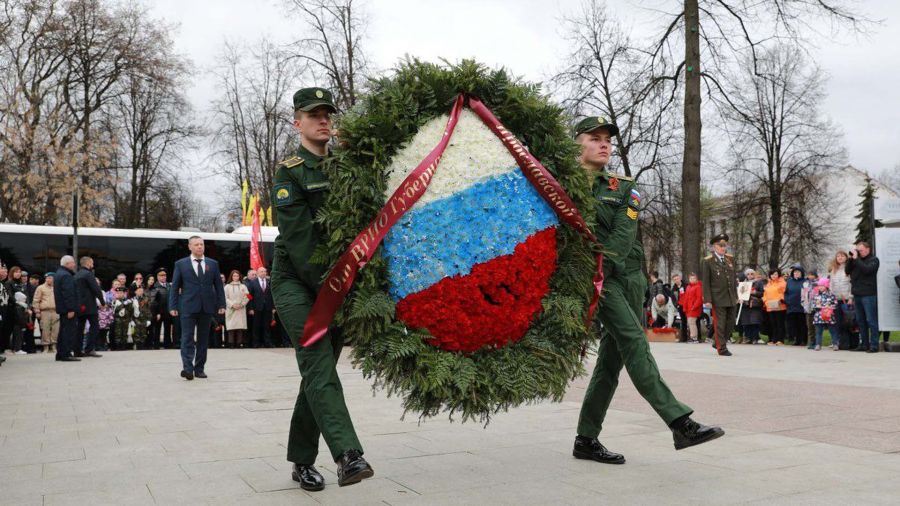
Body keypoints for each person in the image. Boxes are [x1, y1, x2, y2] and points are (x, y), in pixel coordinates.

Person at [571, 115, 723, 468]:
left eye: (607, 139)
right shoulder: (563, 186)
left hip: (629, 280)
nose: (604, 144)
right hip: (599, 280)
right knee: (635, 342)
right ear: (577, 143)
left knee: (612, 361)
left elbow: (624, 236)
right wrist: (592, 275)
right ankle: (679, 422)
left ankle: (586, 438)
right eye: (594, 138)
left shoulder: (624, 187)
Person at [271, 87, 374, 491]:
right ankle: (348, 455)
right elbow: (300, 243)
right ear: (297, 122)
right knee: (316, 361)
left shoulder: (346, 168)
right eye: (314, 114)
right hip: (297, 280)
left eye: (328, 113)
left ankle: (300, 460)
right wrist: (337, 290)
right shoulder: (290, 173)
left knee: (318, 373)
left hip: (339, 282)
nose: (323, 120)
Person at [169, 235, 226, 380]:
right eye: (196, 244)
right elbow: (175, 287)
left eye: (201, 244)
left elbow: (219, 286)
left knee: (203, 339)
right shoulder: (181, 264)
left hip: (207, 307)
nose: (200, 247)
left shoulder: (213, 264)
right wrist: (173, 305)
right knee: (187, 338)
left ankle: (199, 368)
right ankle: (187, 369)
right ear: (190, 247)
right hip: (187, 306)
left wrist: (221, 304)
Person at [700, 234, 738, 356]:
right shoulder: (708, 261)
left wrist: (737, 296)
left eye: (724, 245)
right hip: (717, 297)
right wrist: (707, 299)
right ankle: (721, 348)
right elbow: (705, 282)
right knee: (720, 323)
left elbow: (733, 279)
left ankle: (717, 341)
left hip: (731, 296)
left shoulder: (730, 259)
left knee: (731, 322)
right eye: (720, 245)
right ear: (714, 247)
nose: (723, 248)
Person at [845, 240, 880, 352]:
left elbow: (866, 270)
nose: (860, 252)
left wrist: (856, 259)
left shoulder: (874, 260)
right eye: (858, 250)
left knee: (871, 320)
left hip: (869, 295)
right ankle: (864, 344)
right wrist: (851, 259)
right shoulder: (856, 260)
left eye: (862, 250)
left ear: (868, 249)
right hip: (857, 294)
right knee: (860, 321)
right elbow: (847, 271)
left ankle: (874, 345)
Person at [74, 256, 104, 358]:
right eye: (92, 263)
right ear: (88, 263)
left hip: (79, 305)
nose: (93, 265)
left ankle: (77, 350)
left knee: (79, 328)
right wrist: (102, 301)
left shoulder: (76, 275)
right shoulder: (88, 274)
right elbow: (96, 289)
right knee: (94, 326)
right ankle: (89, 349)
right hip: (90, 306)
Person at [53, 256, 80, 362]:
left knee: (63, 331)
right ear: (67, 263)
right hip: (68, 309)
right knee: (68, 332)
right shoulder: (66, 275)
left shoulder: (59, 273)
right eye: (73, 263)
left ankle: (60, 353)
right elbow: (68, 294)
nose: (74, 265)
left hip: (63, 309)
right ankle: (66, 354)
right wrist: (71, 309)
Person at [828, 251, 853, 350]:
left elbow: (852, 284)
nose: (840, 257)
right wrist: (831, 297)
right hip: (836, 299)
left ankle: (847, 343)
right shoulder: (833, 270)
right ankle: (837, 342)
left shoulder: (849, 269)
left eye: (842, 256)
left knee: (847, 322)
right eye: (838, 256)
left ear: (846, 257)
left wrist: (851, 297)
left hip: (846, 299)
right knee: (837, 322)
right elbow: (831, 285)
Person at [247, 266, 275, 347]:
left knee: (267, 326)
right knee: (256, 326)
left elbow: (272, 295)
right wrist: (250, 308)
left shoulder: (269, 282)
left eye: (265, 271)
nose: (264, 273)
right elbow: (249, 296)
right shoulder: (253, 282)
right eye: (262, 272)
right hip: (256, 308)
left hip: (268, 308)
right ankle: (256, 343)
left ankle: (267, 342)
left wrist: (273, 307)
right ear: (258, 273)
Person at [150, 268, 177, 349]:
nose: (164, 277)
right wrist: (156, 312)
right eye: (161, 275)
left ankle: (167, 345)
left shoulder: (169, 285)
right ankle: (156, 345)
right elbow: (153, 302)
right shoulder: (155, 286)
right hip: (159, 312)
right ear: (157, 277)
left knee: (167, 329)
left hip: (168, 311)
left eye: (165, 275)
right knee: (157, 329)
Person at [811, 277, 839, 351]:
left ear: (826, 286)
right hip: (819, 316)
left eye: (822, 285)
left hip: (829, 316)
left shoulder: (831, 295)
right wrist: (816, 307)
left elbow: (835, 304)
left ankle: (835, 344)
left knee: (833, 330)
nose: (820, 287)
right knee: (818, 331)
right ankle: (818, 344)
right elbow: (813, 304)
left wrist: (830, 307)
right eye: (819, 286)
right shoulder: (816, 295)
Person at [33, 273, 58, 353]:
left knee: (56, 329)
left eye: (50, 278)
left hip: (56, 311)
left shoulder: (57, 287)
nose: (48, 279)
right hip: (45, 311)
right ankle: (45, 346)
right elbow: (36, 300)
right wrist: (37, 311)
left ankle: (54, 345)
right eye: (47, 278)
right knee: (45, 329)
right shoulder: (40, 288)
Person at [224, 270, 250, 348]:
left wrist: (242, 304)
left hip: (240, 309)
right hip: (231, 309)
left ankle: (239, 343)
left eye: (237, 276)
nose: (235, 277)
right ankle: (231, 343)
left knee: (240, 327)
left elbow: (249, 296)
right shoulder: (227, 286)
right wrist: (232, 305)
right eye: (234, 276)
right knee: (231, 327)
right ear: (231, 277)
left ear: (239, 277)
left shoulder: (243, 286)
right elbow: (225, 297)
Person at [739, 270, 765, 345]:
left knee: (755, 322)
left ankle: (755, 338)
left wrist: (755, 292)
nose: (750, 275)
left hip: (755, 305)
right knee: (746, 323)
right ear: (746, 275)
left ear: (754, 274)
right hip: (745, 305)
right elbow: (740, 293)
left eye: (752, 274)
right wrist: (740, 298)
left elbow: (763, 293)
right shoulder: (743, 283)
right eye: (748, 274)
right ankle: (748, 338)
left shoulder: (759, 282)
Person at [762, 270, 787, 345]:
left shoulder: (783, 283)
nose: (774, 276)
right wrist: (766, 302)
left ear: (778, 275)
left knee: (780, 323)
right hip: (770, 306)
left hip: (780, 306)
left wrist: (780, 300)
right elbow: (765, 294)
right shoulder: (768, 284)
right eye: (772, 274)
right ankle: (774, 339)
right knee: (772, 324)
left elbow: (784, 293)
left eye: (775, 274)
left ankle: (780, 339)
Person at [679, 273, 704, 343]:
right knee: (690, 323)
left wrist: (694, 306)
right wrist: (685, 307)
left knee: (692, 322)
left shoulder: (698, 287)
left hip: (694, 308)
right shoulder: (688, 287)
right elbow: (686, 298)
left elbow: (699, 299)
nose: (692, 280)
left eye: (693, 278)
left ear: (696, 279)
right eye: (691, 278)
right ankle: (693, 337)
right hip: (689, 308)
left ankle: (694, 338)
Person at [801, 269, 819, 349]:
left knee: (817, 326)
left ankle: (817, 342)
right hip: (807, 307)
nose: (810, 276)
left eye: (812, 275)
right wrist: (803, 303)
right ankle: (811, 341)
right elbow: (803, 295)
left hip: (816, 307)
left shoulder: (818, 283)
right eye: (809, 275)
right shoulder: (805, 283)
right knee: (809, 326)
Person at [670, 274, 687, 341]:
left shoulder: (685, 285)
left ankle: (696, 337)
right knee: (683, 321)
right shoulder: (674, 289)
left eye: (677, 279)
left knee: (690, 321)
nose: (676, 280)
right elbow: (673, 298)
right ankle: (684, 337)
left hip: (687, 305)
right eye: (674, 279)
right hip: (680, 306)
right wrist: (676, 305)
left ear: (680, 278)